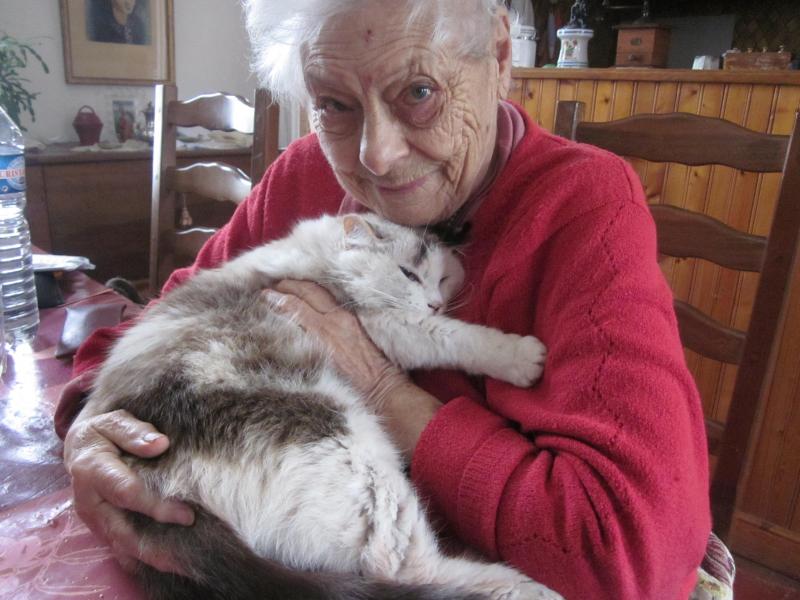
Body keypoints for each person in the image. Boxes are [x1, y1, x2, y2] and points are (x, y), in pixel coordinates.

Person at [58, 0, 712, 597]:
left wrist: (381, 389)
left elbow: (628, 559)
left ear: (499, 57)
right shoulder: (305, 172)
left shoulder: (584, 207)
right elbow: (158, 326)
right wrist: (95, 431)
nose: (377, 155)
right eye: (335, 105)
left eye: (418, 92)